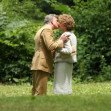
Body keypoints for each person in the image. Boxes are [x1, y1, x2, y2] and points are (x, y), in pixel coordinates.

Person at [30, 14, 69, 96]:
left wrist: (58, 42)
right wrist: (61, 41)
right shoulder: (47, 30)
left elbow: (46, 48)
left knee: (36, 91)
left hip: (38, 62)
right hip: (42, 63)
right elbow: (50, 46)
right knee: (40, 92)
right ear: (51, 21)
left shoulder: (42, 29)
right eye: (56, 20)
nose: (58, 23)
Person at [53, 14, 77, 95]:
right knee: (67, 80)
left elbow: (68, 51)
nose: (59, 24)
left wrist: (57, 48)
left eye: (61, 22)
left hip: (62, 61)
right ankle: (67, 93)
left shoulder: (65, 35)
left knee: (60, 80)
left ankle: (60, 94)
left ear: (65, 24)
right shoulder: (73, 35)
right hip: (69, 61)